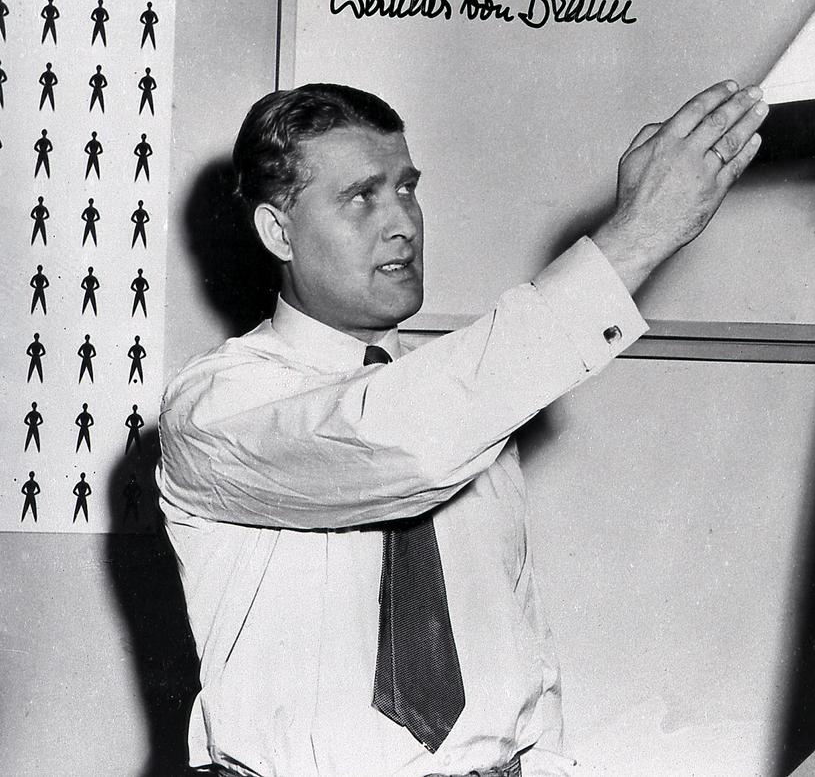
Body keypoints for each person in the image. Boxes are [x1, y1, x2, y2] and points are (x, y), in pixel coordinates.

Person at [158, 80, 766, 777]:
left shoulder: (464, 400)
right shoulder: (216, 409)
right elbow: (398, 443)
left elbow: (520, 643)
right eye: (362, 197)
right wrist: (636, 238)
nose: (402, 223)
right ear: (278, 231)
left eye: (407, 189)